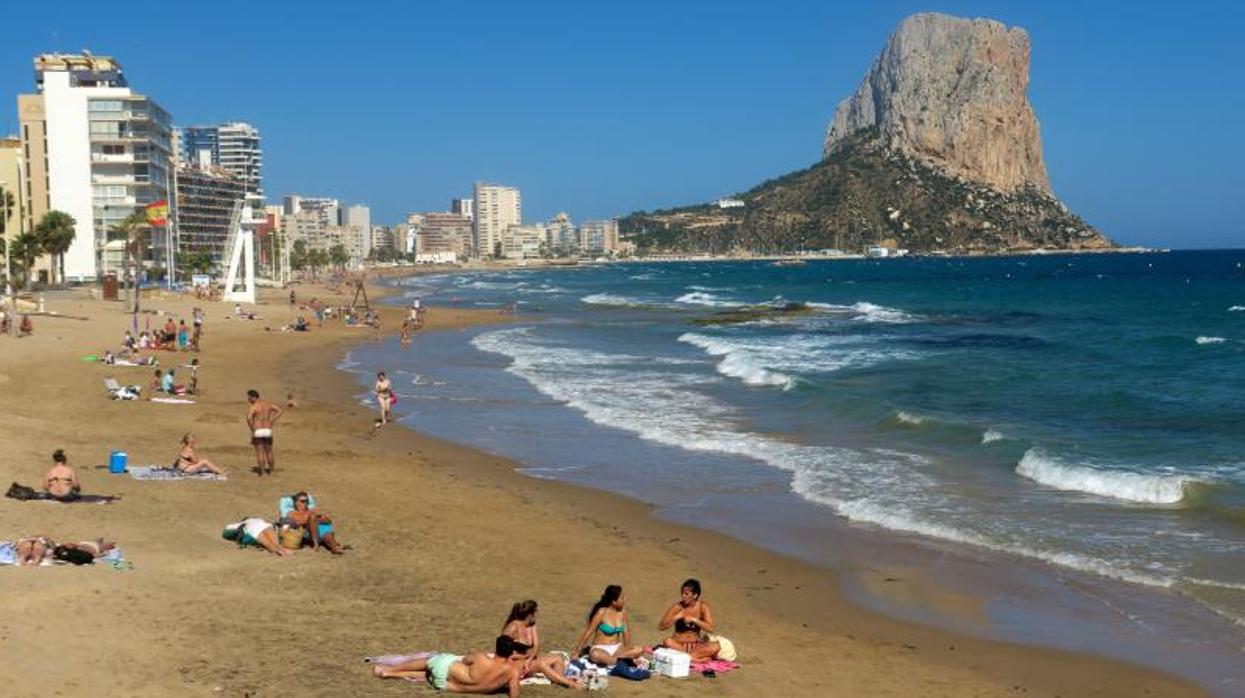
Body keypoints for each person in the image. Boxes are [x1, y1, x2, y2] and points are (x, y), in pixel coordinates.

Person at [373, 635, 528, 696]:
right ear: (511, 651)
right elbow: (514, 693)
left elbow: (466, 659)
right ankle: (392, 675)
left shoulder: (482, 658)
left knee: (431, 660)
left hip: (444, 671)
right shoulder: (512, 671)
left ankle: (389, 670)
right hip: (443, 685)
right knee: (428, 675)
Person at [502, 600, 583, 689]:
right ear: (530, 615)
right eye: (536, 612)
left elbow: (536, 645)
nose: (537, 615)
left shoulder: (531, 625)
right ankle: (571, 684)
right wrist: (524, 657)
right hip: (515, 664)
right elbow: (504, 653)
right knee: (541, 664)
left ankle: (560, 679)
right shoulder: (513, 627)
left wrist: (529, 658)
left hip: (529, 661)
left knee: (558, 658)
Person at [574, 585, 645, 666]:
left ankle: (614, 661)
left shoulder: (622, 612)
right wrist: (577, 652)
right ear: (613, 601)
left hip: (617, 648)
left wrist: (627, 649)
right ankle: (621, 661)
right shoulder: (602, 612)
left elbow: (626, 631)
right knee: (595, 654)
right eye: (622, 598)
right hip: (600, 648)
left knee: (639, 649)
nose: (625, 600)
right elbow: (588, 632)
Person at [658, 578, 720, 661]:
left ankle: (689, 657)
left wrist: (694, 620)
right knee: (667, 641)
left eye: (686, 594)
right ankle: (695, 659)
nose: (683, 596)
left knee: (716, 646)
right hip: (678, 645)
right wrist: (676, 617)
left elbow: (710, 628)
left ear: (695, 595)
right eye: (682, 593)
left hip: (695, 646)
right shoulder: (677, 607)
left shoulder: (702, 607)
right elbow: (661, 626)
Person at [246, 389, 284, 476]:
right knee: (269, 452)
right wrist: (272, 420)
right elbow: (280, 410)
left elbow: (248, 418)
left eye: (249, 398)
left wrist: (252, 429)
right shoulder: (267, 404)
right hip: (267, 429)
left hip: (258, 430)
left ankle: (262, 472)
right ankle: (272, 471)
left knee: (260, 452)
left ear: (253, 397)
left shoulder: (254, 406)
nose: (248, 400)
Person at [222, 517, 290, 556]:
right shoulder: (259, 519)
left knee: (269, 545)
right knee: (277, 545)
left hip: (252, 529)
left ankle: (282, 553)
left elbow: (226, 532)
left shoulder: (244, 522)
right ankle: (287, 552)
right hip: (266, 526)